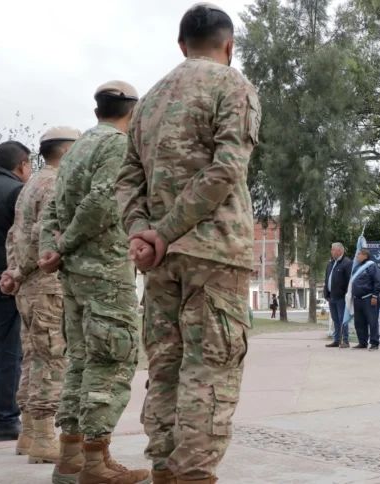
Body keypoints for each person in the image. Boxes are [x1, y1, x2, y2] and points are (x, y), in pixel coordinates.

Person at [114, 4, 261, 483]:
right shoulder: (232, 85)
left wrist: (143, 232)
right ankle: (193, 477)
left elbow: (127, 180)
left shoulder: (149, 102)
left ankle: (163, 472)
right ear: (229, 46)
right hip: (214, 253)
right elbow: (226, 170)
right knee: (210, 374)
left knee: (166, 370)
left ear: (181, 45)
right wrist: (165, 230)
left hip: (160, 261)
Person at [38, 81, 148, 483]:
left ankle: (70, 457)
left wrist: (51, 249)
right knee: (113, 359)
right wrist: (64, 244)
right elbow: (104, 201)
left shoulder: (75, 150)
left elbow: (50, 208)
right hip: (105, 271)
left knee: (81, 361)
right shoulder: (117, 145)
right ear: (131, 111)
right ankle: (96, 462)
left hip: (74, 275)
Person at [2, 127, 79, 462]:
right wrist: (21, 271)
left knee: (34, 357)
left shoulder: (30, 184)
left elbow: (13, 235)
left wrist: (14, 271)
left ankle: (31, 433)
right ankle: (44, 439)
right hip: (47, 283)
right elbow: (42, 235)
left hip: (30, 287)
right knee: (51, 359)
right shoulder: (55, 184)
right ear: (67, 151)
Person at [0, 141, 32, 442]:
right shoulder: (15, 192)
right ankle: (5, 420)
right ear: (22, 164)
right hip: (4, 280)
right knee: (9, 351)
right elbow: (23, 239)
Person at [349, 248, 380, 350]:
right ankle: (362, 342)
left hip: (368, 298)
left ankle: (374, 343)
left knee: (372, 321)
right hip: (357, 299)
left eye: (359, 254)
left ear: (365, 256)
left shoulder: (371, 266)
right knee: (359, 322)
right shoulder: (356, 267)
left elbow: (378, 281)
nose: (357, 256)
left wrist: (375, 295)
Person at [324, 242, 352, 348]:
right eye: (331, 250)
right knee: (335, 319)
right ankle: (336, 340)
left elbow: (350, 281)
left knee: (342, 319)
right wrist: (326, 293)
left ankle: (345, 340)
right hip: (332, 296)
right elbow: (327, 279)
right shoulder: (331, 263)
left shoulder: (347, 263)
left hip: (342, 297)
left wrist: (347, 295)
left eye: (333, 249)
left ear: (340, 251)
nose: (331, 251)